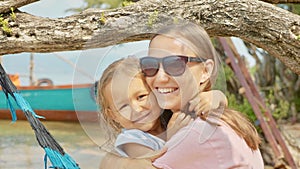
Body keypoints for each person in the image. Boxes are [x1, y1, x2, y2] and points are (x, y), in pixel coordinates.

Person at [99, 23, 263, 169]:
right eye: (151, 65)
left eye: (175, 63)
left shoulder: (196, 133)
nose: (161, 77)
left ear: (206, 70)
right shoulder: (214, 120)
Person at [97, 57, 227, 159]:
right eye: (124, 106)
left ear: (157, 91)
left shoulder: (170, 116)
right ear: (112, 115)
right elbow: (157, 163)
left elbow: (220, 104)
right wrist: (172, 137)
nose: (136, 109)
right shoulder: (130, 141)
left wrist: (215, 96)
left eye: (141, 96)